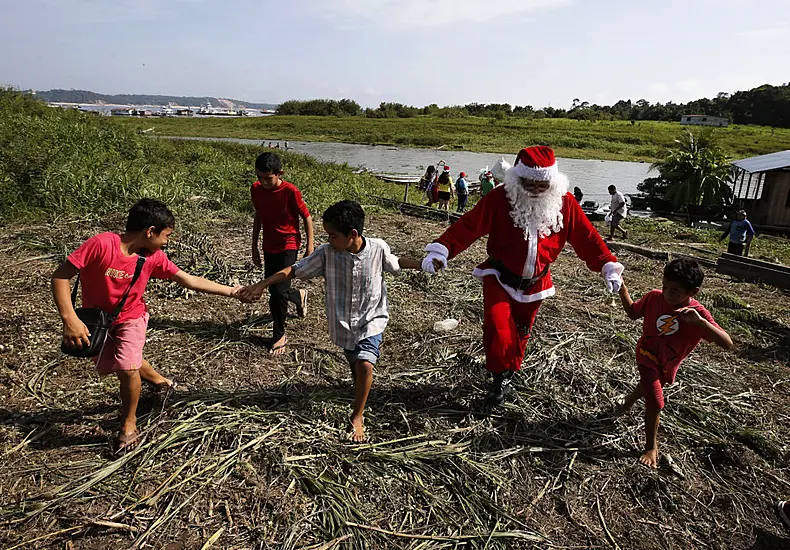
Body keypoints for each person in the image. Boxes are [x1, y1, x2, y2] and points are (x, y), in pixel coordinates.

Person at [422, 146, 624, 410]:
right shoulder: (499, 198)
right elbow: (469, 225)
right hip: (500, 277)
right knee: (497, 326)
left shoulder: (565, 203)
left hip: (536, 282)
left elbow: (587, 237)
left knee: (522, 331)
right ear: (519, 178)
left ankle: (510, 373)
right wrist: (442, 250)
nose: (536, 190)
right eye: (530, 184)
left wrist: (607, 264)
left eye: (542, 185)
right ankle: (497, 378)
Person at [52, 199, 242, 453]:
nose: (167, 242)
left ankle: (128, 425)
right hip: (98, 319)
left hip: (132, 317)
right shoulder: (101, 244)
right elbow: (60, 276)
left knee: (127, 367)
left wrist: (233, 292)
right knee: (126, 358)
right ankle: (162, 383)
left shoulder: (154, 257)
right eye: (166, 235)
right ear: (149, 231)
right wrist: (70, 319)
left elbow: (189, 280)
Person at [239, 200, 423, 441]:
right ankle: (359, 385)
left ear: (353, 234)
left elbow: (396, 262)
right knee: (355, 362)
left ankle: (357, 416)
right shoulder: (327, 253)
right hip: (343, 322)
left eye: (333, 235)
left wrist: (422, 264)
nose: (329, 240)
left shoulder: (378, 248)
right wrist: (262, 284)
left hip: (372, 318)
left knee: (366, 363)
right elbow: (294, 270)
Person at [617, 258, 733, 468]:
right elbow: (633, 313)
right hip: (647, 354)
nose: (667, 293)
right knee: (656, 401)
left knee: (649, 386)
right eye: (665, 287)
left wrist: (700, 322)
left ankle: (627, 401)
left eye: (675, 291)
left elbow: (727, 343)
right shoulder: (654, 298)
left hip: (667, 363)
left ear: (693, 292)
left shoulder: (697, 314)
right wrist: (622, 288)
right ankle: (651, 447)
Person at [250, 152, 314, 355]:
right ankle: (298, 296)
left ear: (279, 174)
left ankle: (279, 335)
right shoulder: (256, 189)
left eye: (268, 179)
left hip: (289, 244)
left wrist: (309, 246)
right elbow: (258, 216)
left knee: (277, 292)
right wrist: (254, 246)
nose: (264, 182)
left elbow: (306, 217)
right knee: (276, 289)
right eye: (260, 177)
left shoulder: (290, 191)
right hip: (269, 245)